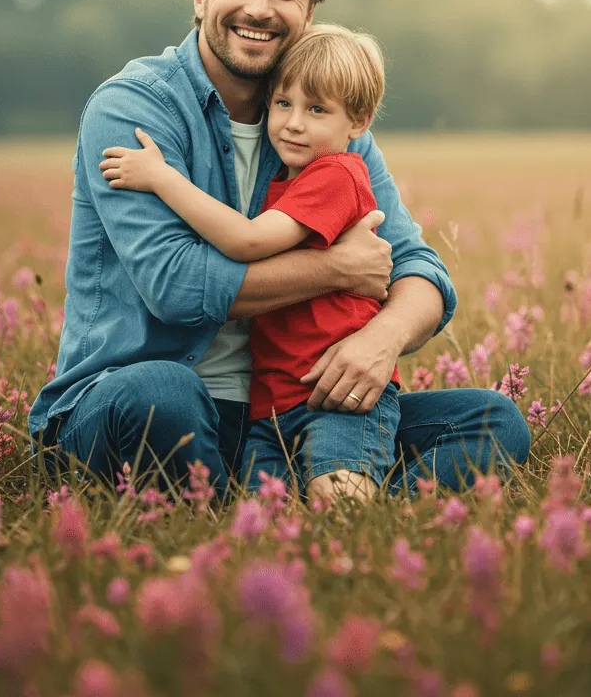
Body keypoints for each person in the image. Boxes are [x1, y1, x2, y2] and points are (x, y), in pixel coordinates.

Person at [27, 0, 530, 496]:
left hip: (288, 408)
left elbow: (419, 270)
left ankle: (308, 504)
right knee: (161, 392)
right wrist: (335, 268)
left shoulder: (325, 125)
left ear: (309, 11)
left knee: (494, 422)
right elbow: (177, 287)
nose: (259, 8)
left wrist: (382, 339)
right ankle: (295, 497)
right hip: (138, 402)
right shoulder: (133, 108)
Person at [99, 25, 399, 502]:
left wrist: (161, 178)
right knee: (262, 510)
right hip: (276, 403)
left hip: (337, 397)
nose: (294, 123)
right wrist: (338, 267)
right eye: (283, 103)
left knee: (339, 494)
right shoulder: (291, 178)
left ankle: (357, 537)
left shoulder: (336, 174)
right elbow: (179, 285)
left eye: (316, 110)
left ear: (359, 122)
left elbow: (247, 241)